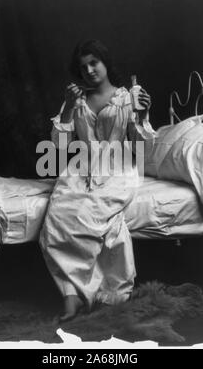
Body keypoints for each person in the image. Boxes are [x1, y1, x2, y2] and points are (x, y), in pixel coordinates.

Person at [39, 39, 156, 321]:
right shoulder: (76, 100)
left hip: (118, 168)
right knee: (57, 215)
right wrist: (67, 107)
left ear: (105, 63)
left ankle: (95, 292)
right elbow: (59, 146)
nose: (90, 70)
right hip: (82, 167)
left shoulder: (126, 97)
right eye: (83, 67)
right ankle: (72, 295)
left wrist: (141, 115)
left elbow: (142, 145)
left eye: (94, 63)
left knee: (90, 211)